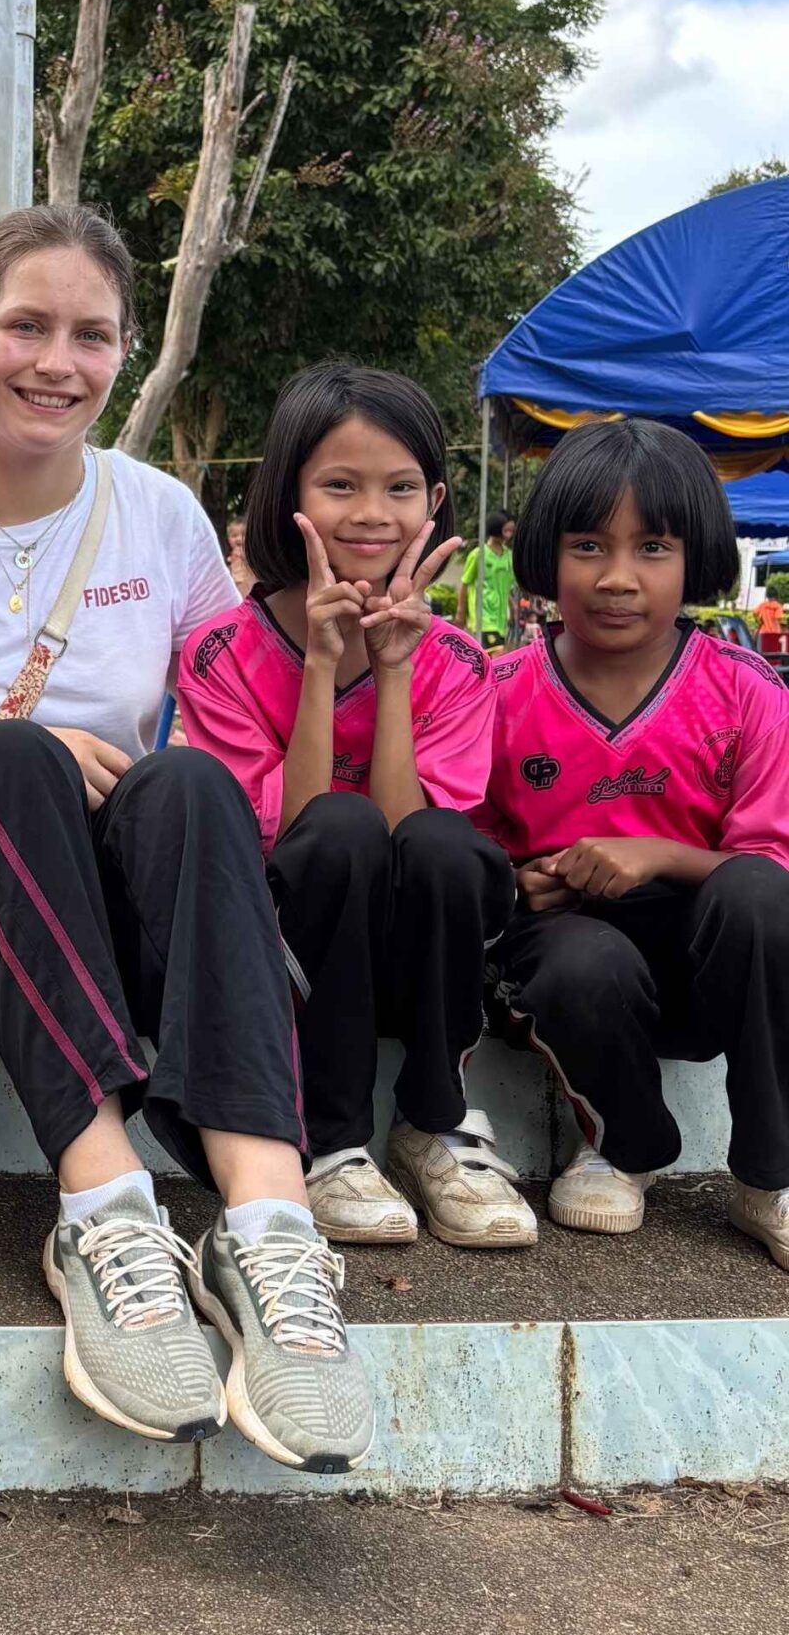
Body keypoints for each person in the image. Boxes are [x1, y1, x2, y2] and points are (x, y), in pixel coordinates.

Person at [0, 203, 373, 1475]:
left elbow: (228, 722)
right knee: (14, 753)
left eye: (91, 335)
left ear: (123, 354)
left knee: (189, 780)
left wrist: (336, 660)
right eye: (27, 326)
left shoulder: (157, 515)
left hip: (86, 924)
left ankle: (266, 1227)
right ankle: (104, 1210)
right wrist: (10, 743)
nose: (57, 361)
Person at [178, 366, 529, 1250]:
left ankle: (434, 1121)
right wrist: (323, 664)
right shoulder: (220, 653)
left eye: (401, 488)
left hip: (409, 952)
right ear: (288, 494)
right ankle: (331, 1140)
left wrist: (396, 670)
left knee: (448, 843)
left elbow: (412, 839)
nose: (373, 514)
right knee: (339, 827)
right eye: (340, 485)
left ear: (435, 501)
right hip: (292, 950)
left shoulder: (459, 662)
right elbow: (291, 841)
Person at [479, 418, 789, 1263]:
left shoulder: (746, 692)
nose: (617, 578)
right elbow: (459, 845)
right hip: (566, 968)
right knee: (584, 961)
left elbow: (770, 865)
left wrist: (657, 854)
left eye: (653, 547)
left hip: (703, 967)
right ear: (546, 553)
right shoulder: (499, 691)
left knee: (762, 896)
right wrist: (518, 879)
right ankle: (624, 1146)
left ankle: (770, 1177)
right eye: (588, 545)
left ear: (696, 557)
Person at [457, 509, 516, 647]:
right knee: (497, 654)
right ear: (496, 528)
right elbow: (465, 584)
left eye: (512, 530)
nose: (509, 534)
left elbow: (504, 586)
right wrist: (461, 612)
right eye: (506, 530)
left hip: (501, 619)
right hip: (483, 617)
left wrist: (512, 606)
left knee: (492, 657)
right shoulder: (478, 555)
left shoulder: (509, 557)